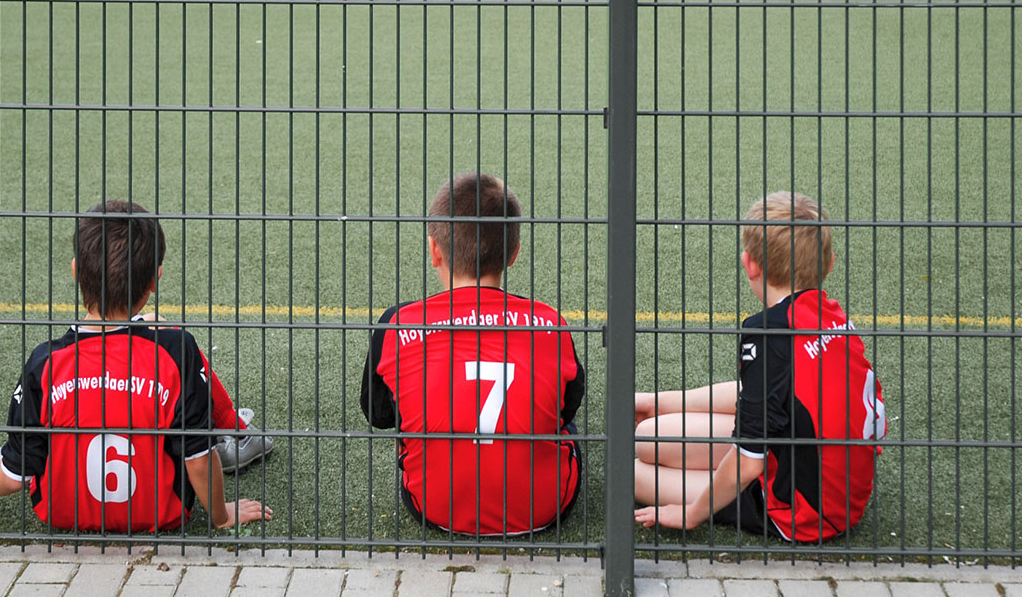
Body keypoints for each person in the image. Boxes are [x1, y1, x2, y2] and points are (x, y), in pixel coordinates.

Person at [0, 200, 274, 531]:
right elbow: (199, 461)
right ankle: (234, 432)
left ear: (76, 271)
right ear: (155, 280)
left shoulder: (43, 363)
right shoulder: (177, 351)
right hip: (162, 514)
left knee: (38, 437)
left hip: (63, 514)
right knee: (170, 345)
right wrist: (223, 516)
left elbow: (13, 477)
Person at [633, 192, 888, 542]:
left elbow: (748, 463)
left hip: (805, 511)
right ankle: (656, 405)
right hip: (823, 474)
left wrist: (692, 514)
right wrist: (659, 403)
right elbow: (765, 398)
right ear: (829, 264)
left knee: (632, 473)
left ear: (749, 263)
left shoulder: (768, 333)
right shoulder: (831, 314)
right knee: (648, 436)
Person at [360, 173, 585, 536]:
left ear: (434, 250)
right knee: (563, 422)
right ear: (514, 253)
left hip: (436, 507)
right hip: (544, 508)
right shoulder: (549, 322)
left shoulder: (399, 323)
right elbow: (568, 408)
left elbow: (379, 415)